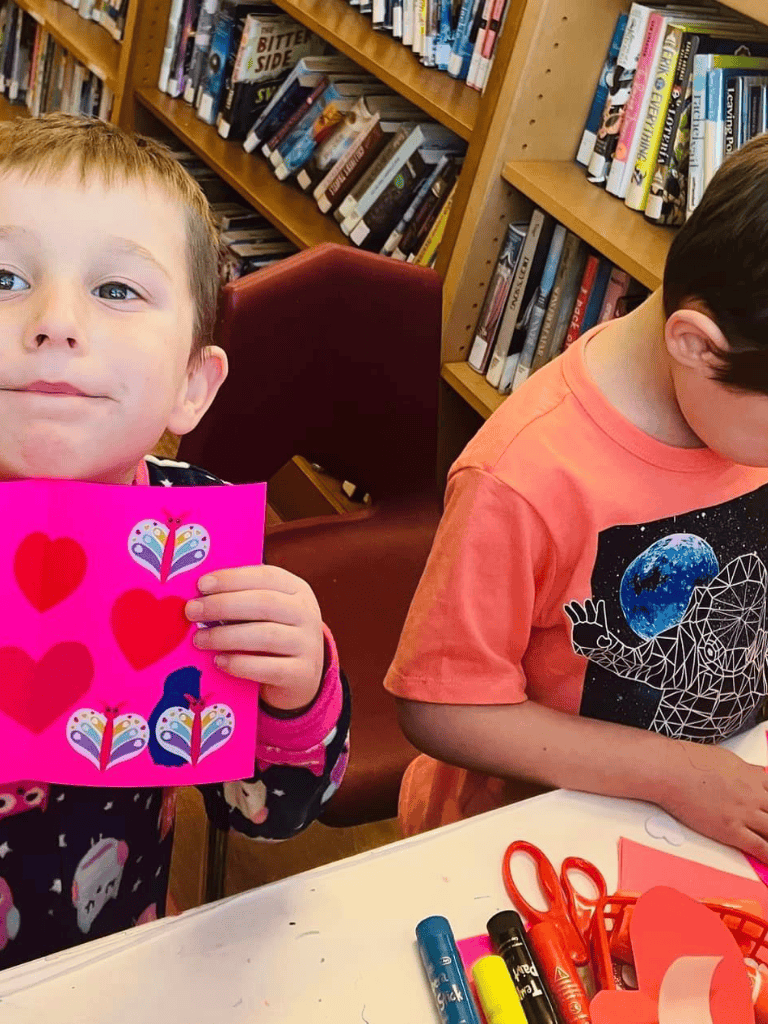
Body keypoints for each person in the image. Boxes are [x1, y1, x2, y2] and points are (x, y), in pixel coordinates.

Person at [0, 113, 350, 969]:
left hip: (111, 955)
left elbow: (266, 809)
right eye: (4, 277)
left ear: (193, 385)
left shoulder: (196, 543)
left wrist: (294, 689)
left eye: (118, 290)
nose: (54, 322)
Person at [386, 132, 768, 865]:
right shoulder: (524, 474)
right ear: (696, 345)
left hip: (714, 803)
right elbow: (438, 706)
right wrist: (675, 773)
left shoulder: (734, 407)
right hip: (534, 841)